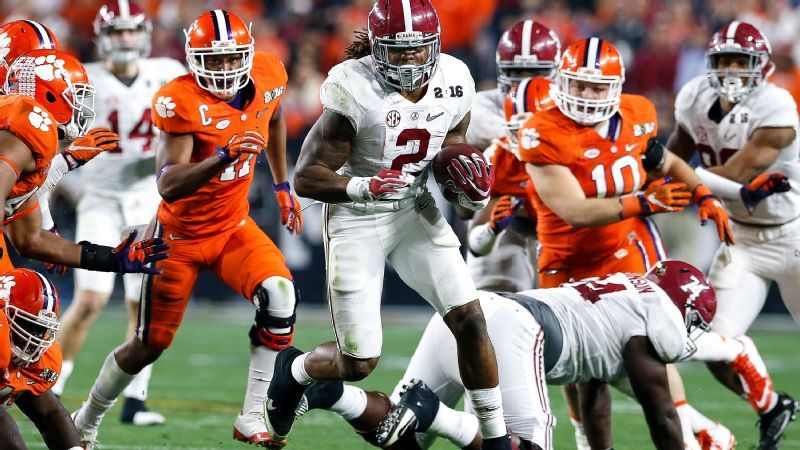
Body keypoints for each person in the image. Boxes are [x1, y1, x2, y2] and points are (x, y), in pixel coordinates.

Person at [276, 1, 511, 449]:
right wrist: (364, 187)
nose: (409, 60)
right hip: (356, 217)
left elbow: (453, 145)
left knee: (470, 318)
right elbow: (306, 176)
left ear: (435, 46)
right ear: (377, 49)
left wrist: (466, 187)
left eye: (418, 50)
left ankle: (496, 439)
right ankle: (296, 370)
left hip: (412, 208)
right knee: (359, 362)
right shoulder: (353, 87)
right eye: (397, 52)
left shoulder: (455, 79)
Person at [72, 9, 302, 448]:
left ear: (249, 54)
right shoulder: (179, 99)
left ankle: (251, 415)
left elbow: (271, 119)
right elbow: (168, 184)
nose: (222, 69)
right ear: (193, 59)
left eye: (231, 58)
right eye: (211, 61)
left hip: (233, 226)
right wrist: (222, 157)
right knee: (149, 344)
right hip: (177, 238)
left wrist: (280, 182)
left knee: (280, 294)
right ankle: (85, 421)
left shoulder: (270, 73)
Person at [517, 37, 734, 449]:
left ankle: (697, 424)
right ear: (561, 81)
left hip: (624, 252)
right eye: (578, 84)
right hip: (567, 262)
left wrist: (704, 193)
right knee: (582, 371)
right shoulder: (541, 131)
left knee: (651, 349)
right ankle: (589, 437)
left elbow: (665, 162)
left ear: (615, 87)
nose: (585, 94)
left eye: (596, 87)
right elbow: (575, 211)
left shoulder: (638, 113)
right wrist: (645, 201)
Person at [299, 260, 721, 450]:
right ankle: (437, 414)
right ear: (681, 310)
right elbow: (663, 416)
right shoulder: (653, 320)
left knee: (402, 438)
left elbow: (594, 392)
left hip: (471, 314)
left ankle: (334, 396)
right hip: (514, 330)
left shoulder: (626, 295)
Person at [51, 0, 186, 427]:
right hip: (101, 198)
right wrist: (72, 187)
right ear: (103, 37)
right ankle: (50, 388)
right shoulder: (84, 78)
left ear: (143, 34)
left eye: (132, 31)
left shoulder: (167, 73)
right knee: (90, 298)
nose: (125, 39)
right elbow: (54, 140)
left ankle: (135, 399)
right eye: (118, 32)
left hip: (149, 198)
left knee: (141, 302)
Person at [668, 21, 800, 449]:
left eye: (740, 60)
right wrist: (662, 175)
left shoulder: (777, 104)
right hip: (739, 239)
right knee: (712, 345)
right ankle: (770, 405)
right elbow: (675, 159)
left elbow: (739, 171)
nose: (731, 69)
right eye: (723, 60)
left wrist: (676, 177)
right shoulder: (693, 97)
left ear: (760, 66)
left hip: (793, 235)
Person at [0, 47, 168, 277]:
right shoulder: (23, 129)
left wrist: (111, 258)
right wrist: (66, 162)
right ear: (49, 94)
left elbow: (30, 240)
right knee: (24, 297)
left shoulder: (27, 139)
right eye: (75, 96)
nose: (81, 106)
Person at [465, 21, 560, 293]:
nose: (526, 81)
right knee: (492, 304)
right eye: (517, 71)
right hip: (506, 219)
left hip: (561, 222)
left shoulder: (572, 106)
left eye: (536, 72)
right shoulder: (482, 108)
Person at [0, 268, 84, 450]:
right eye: (28, 325)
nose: (35, 339)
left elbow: (50, 414)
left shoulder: (36, 358)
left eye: (41, 329)